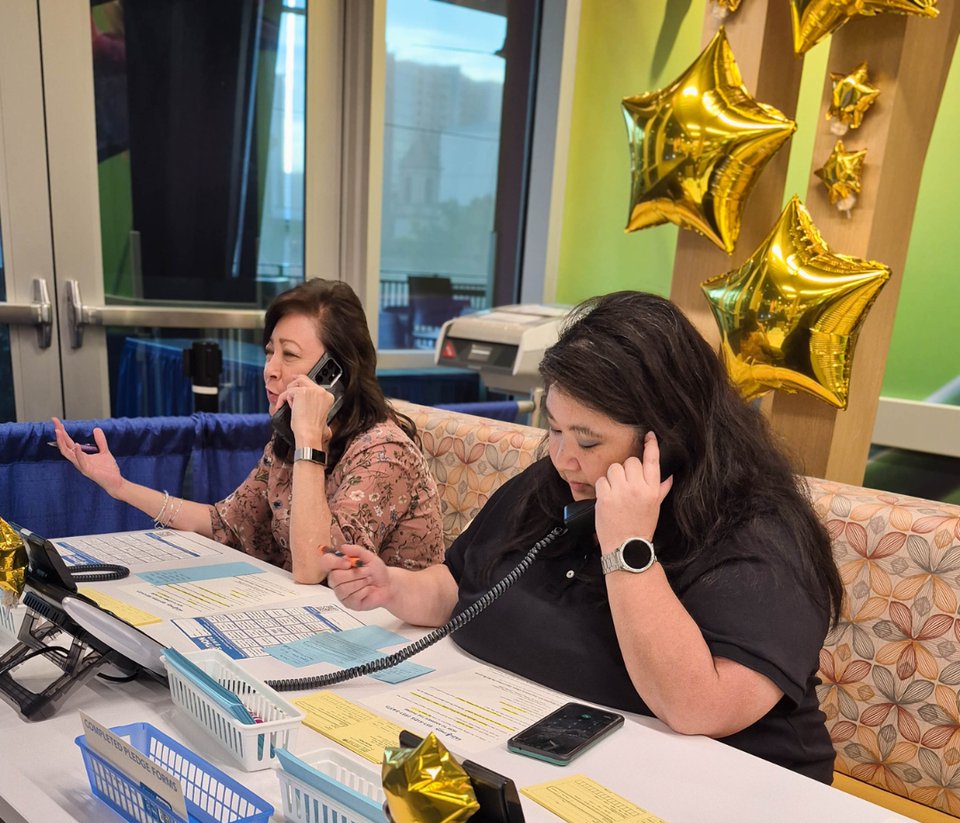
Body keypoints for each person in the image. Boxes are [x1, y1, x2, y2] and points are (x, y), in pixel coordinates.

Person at [320, 290, 843, 782]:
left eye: (589, 440)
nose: (564, 457)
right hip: (553, 765)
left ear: (669, 438)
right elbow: (463, 585)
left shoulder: (760, 538)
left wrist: (628, 550)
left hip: (728, 796)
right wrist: (395, 587)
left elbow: (697, 707)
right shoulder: (561, 481)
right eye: (555, 429)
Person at [52, 278, 444, 583]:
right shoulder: (289, 440)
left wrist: (309, 441)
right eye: (269, 351)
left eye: (289, 355)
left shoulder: (384, 454)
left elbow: (317, 565)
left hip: (389, 639)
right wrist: (120, 486)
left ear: (335, 375)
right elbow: (224, 523)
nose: (270, 370)